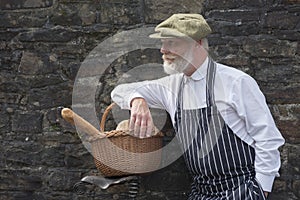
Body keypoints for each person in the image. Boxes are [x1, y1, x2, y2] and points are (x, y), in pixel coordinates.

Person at [111, 13, 285, 199]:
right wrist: (137, 100)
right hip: (201, 192)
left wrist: (260, 191)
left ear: (198, 43)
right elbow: (119, 91)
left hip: (242, 190)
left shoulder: (236, 82)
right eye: (163, 43)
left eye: (172, 43)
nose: (163, 49)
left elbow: (268, 139)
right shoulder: (171, 86)